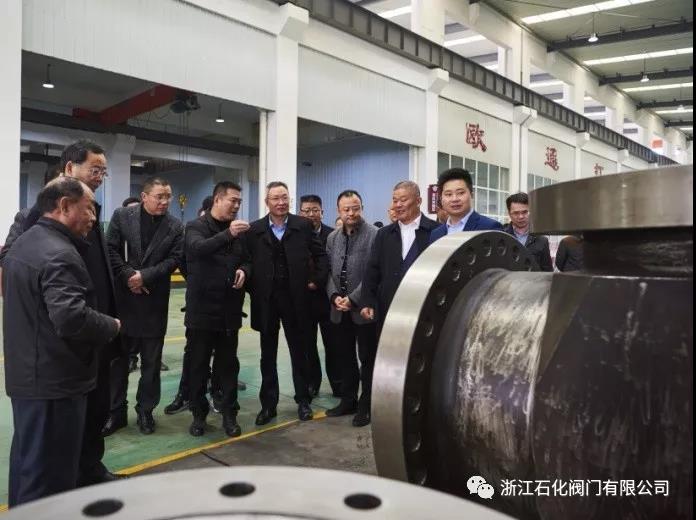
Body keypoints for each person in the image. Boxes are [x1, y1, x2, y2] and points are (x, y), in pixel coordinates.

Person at [1, 140, 124, 486]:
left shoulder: (88, 212)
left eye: (104, 172)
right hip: (60, 339)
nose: (100, 177)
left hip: (93, 331)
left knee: (93, 410)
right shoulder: (37, 219)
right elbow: (12, 263)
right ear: (70, 169)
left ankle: (89, 470)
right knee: (48, 448)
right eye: (95, 169)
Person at [103, 178, 184, 436]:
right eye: (160, 196)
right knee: (118, 362)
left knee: (151, 363)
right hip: (124, 300)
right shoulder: (122, 216)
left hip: (153, 301)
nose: (165, 202)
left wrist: (145, 277)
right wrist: (130, 276)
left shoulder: (175, 226)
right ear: (144, 196)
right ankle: (116, 412)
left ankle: (145, 411)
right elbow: (110, 250)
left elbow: (174, 259)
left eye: (168, 196)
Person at [245, 181, 328, 425]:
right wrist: (255, 289)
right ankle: (268, 405)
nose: (281, 202)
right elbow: (247, 262)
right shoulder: (254, 230)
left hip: (296, 300)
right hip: (267, 302)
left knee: (299, 351)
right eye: (275, 198)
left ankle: (303, 401)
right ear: (267, 202)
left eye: (284, 197)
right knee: (267, 354)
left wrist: (315, 281)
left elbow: (320, 255)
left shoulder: (302, 225)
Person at [185, 181, 251, 437]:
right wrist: (228, 234)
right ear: (217, 199)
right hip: (201, 311)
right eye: (233, 200)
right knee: (198, 366)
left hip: (229, 311)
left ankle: (229, 414)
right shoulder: (195, 227)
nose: (236, 206)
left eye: (239, 202)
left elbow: (248, 260)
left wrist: (244, 270)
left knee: (228, 366)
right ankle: (198, 415)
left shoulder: (240, 232)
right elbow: (197, 249)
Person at [325, 190, 379, 427]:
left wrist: (354, 299)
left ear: (361, 208)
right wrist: (334, 296)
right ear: (339, 211)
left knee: (367, 358)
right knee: (344, 357)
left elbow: (374, 273)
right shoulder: (332, 238)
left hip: (363, 309)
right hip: (339, 309)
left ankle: (366, 405)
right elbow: (328, 271)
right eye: (346, 209)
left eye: (355, 208)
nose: (351, 213)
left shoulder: (375, 235)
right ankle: (348, 400)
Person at [361, 181, 438, 334]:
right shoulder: (384, 234)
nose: (398, 205)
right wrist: (367, 301)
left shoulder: (435, 231)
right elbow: (372, 270)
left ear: (418, 201)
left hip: (423, 307)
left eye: (403, 200)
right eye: (395, 200)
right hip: (388, 307)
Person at [299, 194, 341, 397]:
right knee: (307, 346)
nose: (311, 214)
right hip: (304, 300)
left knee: (333, 345)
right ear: (300, 213)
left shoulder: (333, 235)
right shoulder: (295, 235)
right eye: (306, 210)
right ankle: (312, 383)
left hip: (328, 299)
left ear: (322, 212)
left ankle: (338, 384)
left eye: (315, 210)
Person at [430, 168, 503, 243]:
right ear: (441, 199)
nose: (454, 199)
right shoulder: (436, 234)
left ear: (471, 195)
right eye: (449, 194)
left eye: (460, 193)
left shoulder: (490, 228)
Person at [503, 192, 552, 272]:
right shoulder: (502, 235)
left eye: (525, 212)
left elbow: (547, 271)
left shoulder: (542, 240)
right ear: (509, 214)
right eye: (516, 213)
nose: (521, 216)